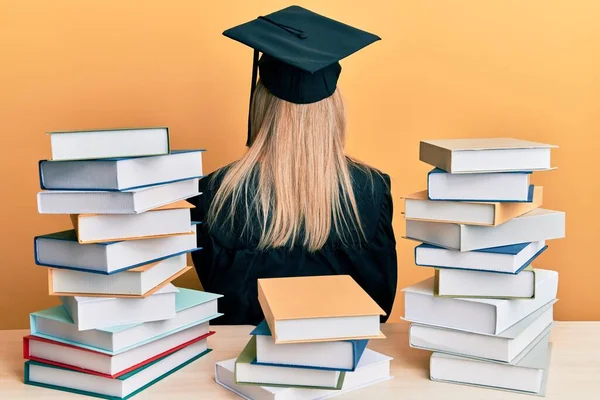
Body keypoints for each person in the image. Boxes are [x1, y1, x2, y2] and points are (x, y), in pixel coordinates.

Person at [191, 6, 397, 325]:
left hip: (238, 363)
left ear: (261, 105)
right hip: (348, 359)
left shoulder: (214, 193)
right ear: (334, 109)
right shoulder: (372, 188)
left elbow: (217, 299)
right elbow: (380, 303)